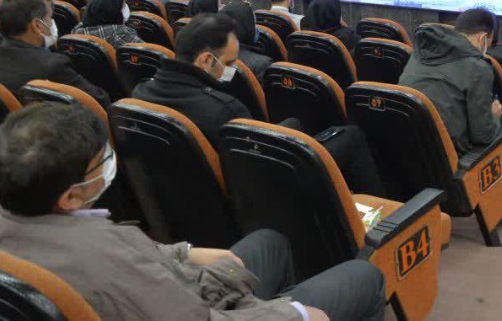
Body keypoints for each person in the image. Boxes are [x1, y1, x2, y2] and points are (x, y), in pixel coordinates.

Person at [0, 103, 387, 321]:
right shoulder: (106, 262)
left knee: (270, 242)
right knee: (364, 277)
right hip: (194, 309)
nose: (109, 162)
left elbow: (139, 264)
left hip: (171, 291)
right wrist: (295, 314)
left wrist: (183, 253)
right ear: (69, 197)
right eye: (100, 160)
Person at [134, 14, 385, 196]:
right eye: (229, 63)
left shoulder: (140, 93)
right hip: (257, 190)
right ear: (206, 60)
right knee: (350, 136)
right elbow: (259, 173)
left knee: (295, 123)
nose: (234, 69)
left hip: (191, 193)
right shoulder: (224, 110)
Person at [400, 8, 502, 228]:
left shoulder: (419, 54)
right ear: (483, 37)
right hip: (450, 152)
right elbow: (482, 135)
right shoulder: (478, 67)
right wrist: (494, 116)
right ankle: (498, 210)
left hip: (409, 145)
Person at [0, 0, 110, 108]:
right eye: (50, 18)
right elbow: (99, 100)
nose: (53, 23)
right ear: (37, 25)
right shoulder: (52, 65)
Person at [71, 0, 142, 50]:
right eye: (123, 5)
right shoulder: (121, 33)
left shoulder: (77, 29)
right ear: (112, 10)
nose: (126, 7)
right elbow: (145, 53)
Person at [220, 2, 273, 80]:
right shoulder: (262, 63)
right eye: (254, 24)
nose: (256, 28)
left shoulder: (212, 55)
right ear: (247, 27)